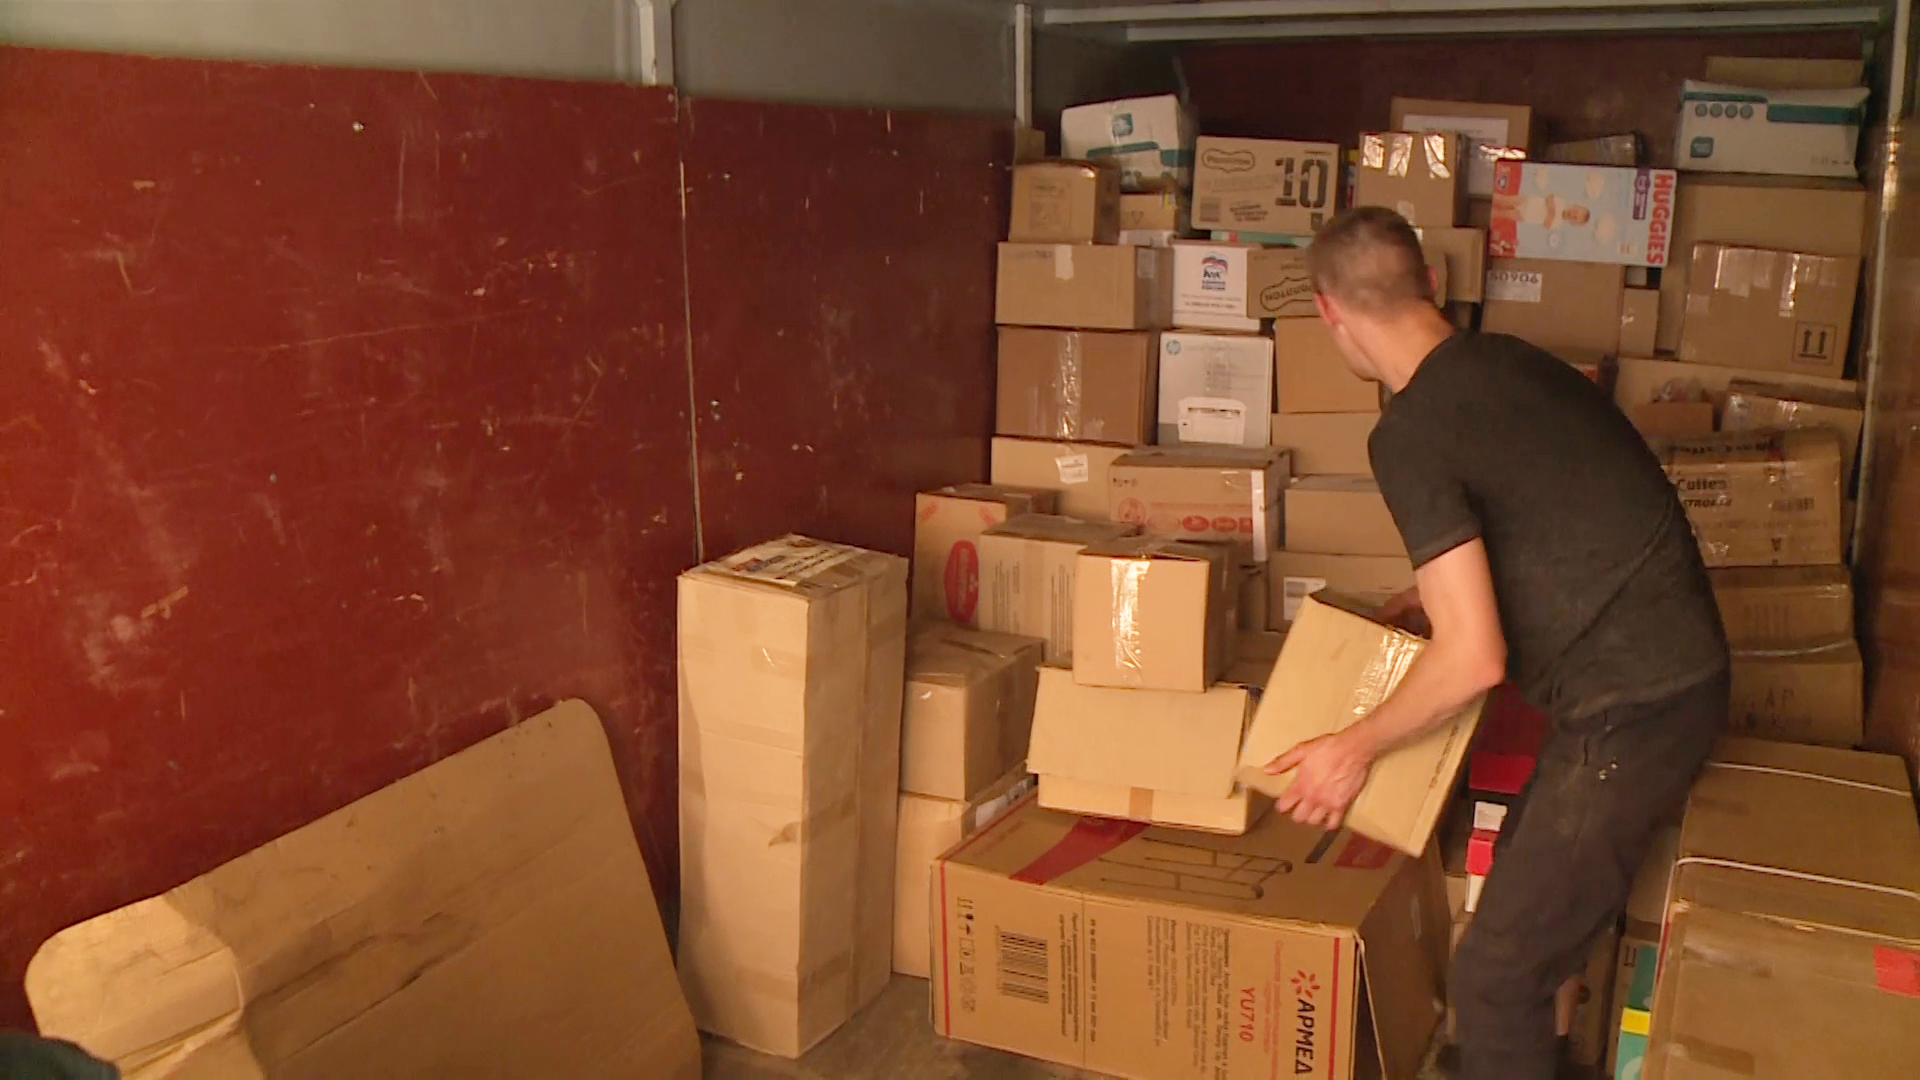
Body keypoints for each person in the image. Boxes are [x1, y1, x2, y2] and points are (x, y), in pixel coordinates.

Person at [1259, 206, 1728, 1080]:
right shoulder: (1513, 362)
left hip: (1633, 708)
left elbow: (1475, 659)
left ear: (1329, 312)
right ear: (1430, 284)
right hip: (1660, 680)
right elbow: (1551, 523)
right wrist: (1425, 600)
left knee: (1495, 980)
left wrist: (1348, 751)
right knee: (1518, 909)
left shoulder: (1411, 431)